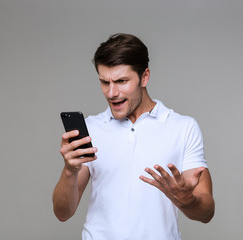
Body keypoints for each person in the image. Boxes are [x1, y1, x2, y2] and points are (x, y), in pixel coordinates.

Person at [52, 33, 215, 239]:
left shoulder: (183, 127)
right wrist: (69, 170)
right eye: (104, 82)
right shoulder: (91, 129)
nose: (111, 93)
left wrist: (187, 200)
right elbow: (63, 213)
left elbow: (207, 212)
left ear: (144, 77)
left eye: (121, 81)